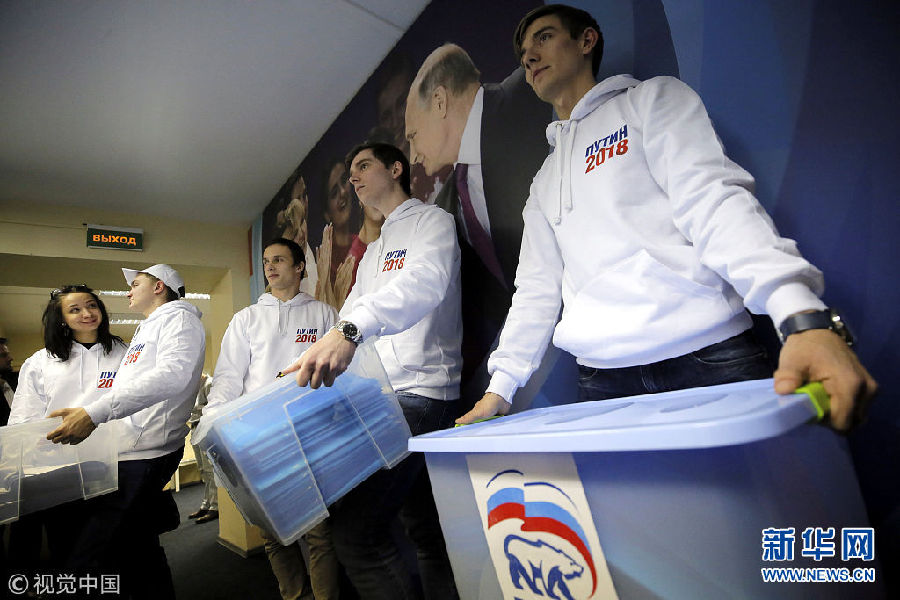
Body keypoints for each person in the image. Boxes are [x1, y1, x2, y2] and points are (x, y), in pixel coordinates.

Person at [458, 4, 877, 430]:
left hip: (707, 358)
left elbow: (711, 201)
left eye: (544, 37)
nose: (529, 57)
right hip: (603, 382)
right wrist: (500, 388)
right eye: (523, 53)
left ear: (586, 40)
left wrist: (800, 315)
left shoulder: (650, 100)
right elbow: (536, 289)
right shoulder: (544, 180)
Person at [285, 142, 461, 600]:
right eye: (351, 171)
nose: (354, 178)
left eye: (363, 166)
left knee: (356, 535)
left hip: (421, 393)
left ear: (396, 168)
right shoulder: (375, 250)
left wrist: (349, 330)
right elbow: (351, 313)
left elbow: (424, 284)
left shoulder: (431, 222)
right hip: (384, 397)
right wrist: (321, 352)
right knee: (424, 528)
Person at [46, 264, 205, 599]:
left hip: (146, 452)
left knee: (91, 552)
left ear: (159, 287)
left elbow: (173, 375)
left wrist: (94, 414)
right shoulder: (149, 327)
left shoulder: (179, 319)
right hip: (129, 449)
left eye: (135, 284)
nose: (128, 291)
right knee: (137, 546)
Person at [405, 43, 550, 401]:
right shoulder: (446, 206)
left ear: (439, 102)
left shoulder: (527, 95)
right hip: (530, 364)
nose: (413, 155)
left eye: (412, 136)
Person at [206, 238, 339, 600]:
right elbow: (228, 377)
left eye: (279, 260)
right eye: (266, 261)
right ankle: (295, 595)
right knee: (273, 530)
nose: (270, 266)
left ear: (299, 267)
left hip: (311, 432)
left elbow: (339, 372)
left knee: (319, 531)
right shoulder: (247, 318)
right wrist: (216, 420)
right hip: (260, 435)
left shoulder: (324, 314)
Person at [6, 286, 131, 569]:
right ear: (61, 319)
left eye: (92, 305)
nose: (87, 313)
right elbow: (24, 417)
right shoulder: (40, 362)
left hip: (115, 464)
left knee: (116, 549)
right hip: (60, 470)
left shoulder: (123, 353)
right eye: (75, 310)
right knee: (68, 548)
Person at [315, 159, 358, 310]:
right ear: (327, 214)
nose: (343, 192)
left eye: (344, 180)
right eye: (334, 193)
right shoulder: (326, 261)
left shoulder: (365, 242)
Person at [279, 171, 319, 297]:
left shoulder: (309, 246)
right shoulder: (286, 253)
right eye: (298, 198)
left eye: (304, 195)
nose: (303, 204)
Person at [187, 373, 218, 524]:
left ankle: (215, 506)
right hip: (194, 427)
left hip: (204, 428)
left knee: (210, 470)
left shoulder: (209, 383)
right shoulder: (193, 386)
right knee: (203, 470)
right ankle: (206, 504)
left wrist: (195, 409)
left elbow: (212, 407)